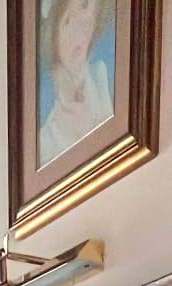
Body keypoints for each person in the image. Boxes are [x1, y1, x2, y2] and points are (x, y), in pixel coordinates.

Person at [38, 0, 115, 164]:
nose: (79, 29)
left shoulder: (102, 77)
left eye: (84, 6)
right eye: (67, 21)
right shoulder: (44, 140)